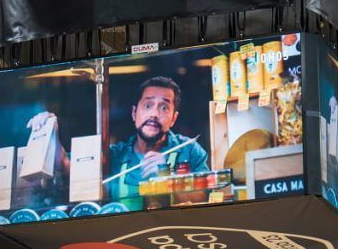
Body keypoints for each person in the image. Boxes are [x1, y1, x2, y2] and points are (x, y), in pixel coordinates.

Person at [26, 76, 209, 207]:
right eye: (148, 105)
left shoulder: (190, 150)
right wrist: (50, 128)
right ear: (134, 113)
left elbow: (205, 198)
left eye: (164, 107)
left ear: (173, 119)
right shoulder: (114, 155)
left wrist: (169, 179)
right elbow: (65, 165)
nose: (154, 113)